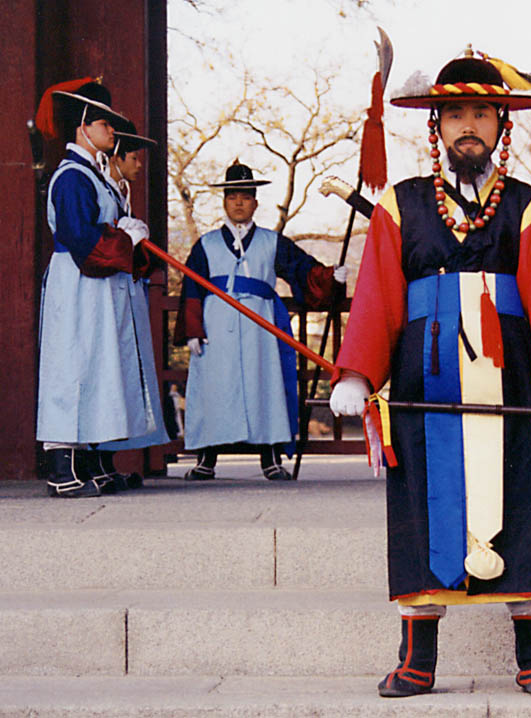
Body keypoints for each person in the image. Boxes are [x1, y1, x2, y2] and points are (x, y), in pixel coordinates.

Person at [329, 51, 531, 699]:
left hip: (512, 384)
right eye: (455, 115)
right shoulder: (401, 204)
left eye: (480, 113)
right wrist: (359, 371)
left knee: (524, 506)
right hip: (425, 386)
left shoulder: (529, 208)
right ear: (436, 126)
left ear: (503, 125)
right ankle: (418, 661)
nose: (467, 126)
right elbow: (377, 294)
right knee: (423, 509)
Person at [174, 161, 345, 481]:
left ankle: (270, 458)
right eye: (232, 196)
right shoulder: (206, 245)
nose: (238, 202)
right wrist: (193, 329)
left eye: (245, 196)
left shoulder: (272, 241)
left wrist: (330, 277)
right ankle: (206, 459)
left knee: (264, 386)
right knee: (214, 388)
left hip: (260, 325)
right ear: (224, 202)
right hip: (217, 326)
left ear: (255, 202)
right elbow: (192, 287)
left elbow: (302, 271)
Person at [34, 79, 156, 498]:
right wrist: (125, 240)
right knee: (71, 365)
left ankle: (92, 463)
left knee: (97, 365)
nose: (112, 131)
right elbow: (82, 238)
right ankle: (61, 469)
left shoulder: (95, 177)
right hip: (77, 281)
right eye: (105, 123)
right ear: (84, 126)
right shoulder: (71, 177)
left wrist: (127, 237)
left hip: (96, 285)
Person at [94, 121, 170, 490]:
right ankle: (97, 459)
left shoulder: (120, 190)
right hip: (103, 289)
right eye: (134, 158)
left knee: (124, 374)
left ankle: (108, 460)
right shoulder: (98, 185)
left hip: (126, 290)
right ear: (118, 157)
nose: (140, 165)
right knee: (108, 371)